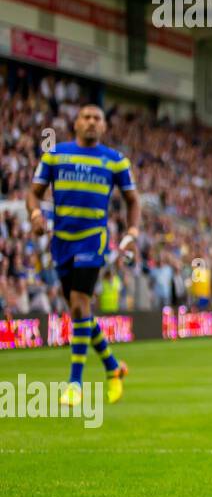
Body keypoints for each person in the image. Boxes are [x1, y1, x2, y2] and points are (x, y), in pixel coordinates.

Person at [27, 104, 139, 406]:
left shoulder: (116, 161)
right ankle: (113, 368)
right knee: (80, 313)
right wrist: (35, 214)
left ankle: (74, 383)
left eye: (97, 118)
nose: (91, 122)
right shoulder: (54, 155)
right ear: (75, 123)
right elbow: (33, 192)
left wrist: (132, 234)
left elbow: (132, 200)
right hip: (61, 241)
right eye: (86, 117)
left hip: (93, 240)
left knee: (79, 303)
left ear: (104, 126)